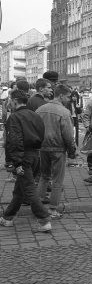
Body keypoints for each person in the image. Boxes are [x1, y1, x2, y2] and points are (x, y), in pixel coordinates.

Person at [0, 90, 52, 232]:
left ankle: (44, 220)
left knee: (29, 189)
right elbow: (42, 134)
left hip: (23, 157)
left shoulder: (15, 117)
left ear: (15, 101)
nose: (9, 102)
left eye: (10, 100)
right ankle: (7, 217)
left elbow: (14, 141)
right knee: (20, 190)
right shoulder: (35, 115)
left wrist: (15, 163)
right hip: (36, 155)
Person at [36, 85, 77, 218]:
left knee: (44, 176)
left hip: (42, 147)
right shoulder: (64, 112)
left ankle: (38, 204)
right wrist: (72, 151)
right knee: (57, 180)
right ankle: (53, 209)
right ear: (60, 96)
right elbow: (68, 135)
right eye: (67, 96)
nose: (69, 99)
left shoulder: (40, 109)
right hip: (58, 148)